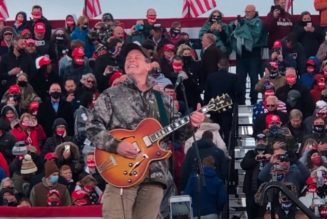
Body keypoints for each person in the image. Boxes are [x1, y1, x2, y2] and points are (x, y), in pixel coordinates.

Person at [86, 42, 205, 219]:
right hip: (121, 170)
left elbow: (176, 135)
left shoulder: (162, 98)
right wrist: (116, 145)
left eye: (136, 57)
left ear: (149, 65)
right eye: (128, 58)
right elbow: (92, 127)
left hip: (155, 175)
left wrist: (192, 124)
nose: (131, 60)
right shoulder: (111, 94)